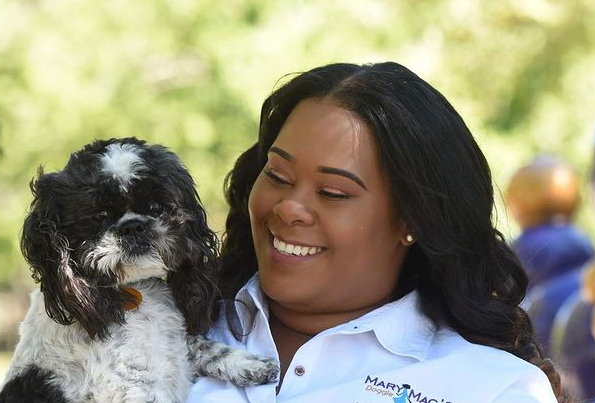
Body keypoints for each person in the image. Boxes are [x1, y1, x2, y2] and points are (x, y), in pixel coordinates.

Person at [187, 62, 566, 402]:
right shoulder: (158, 324)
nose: (289, 207)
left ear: (413, 221)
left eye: (332, 193)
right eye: (277, 176)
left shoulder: (492, 389)